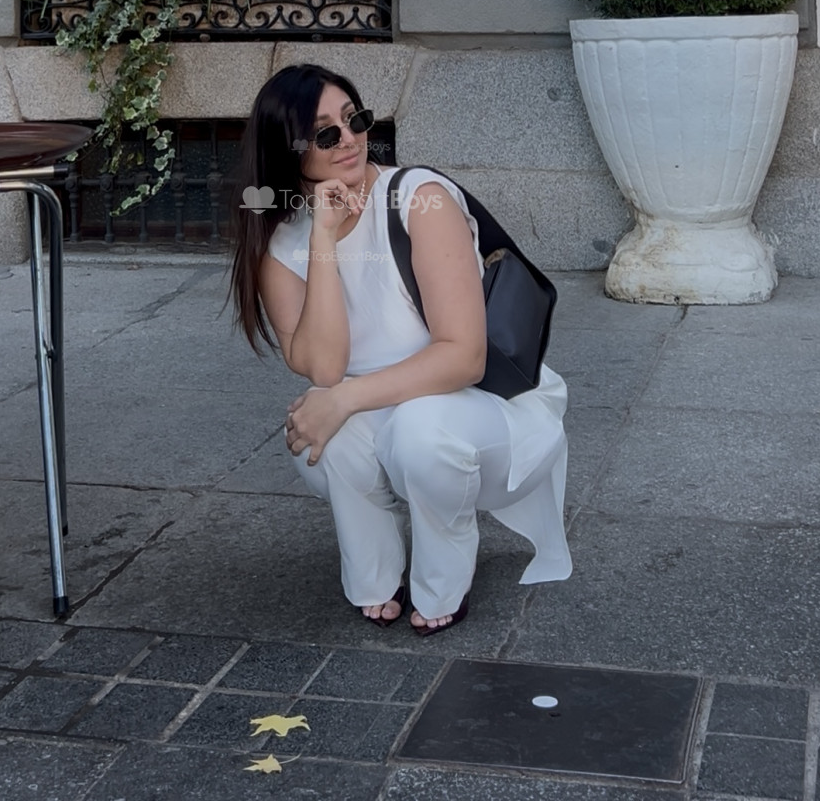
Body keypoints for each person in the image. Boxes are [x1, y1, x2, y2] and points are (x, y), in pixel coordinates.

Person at [230, 63, 572, 635]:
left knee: (415, 429)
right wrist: (323, 238)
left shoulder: (419, 199)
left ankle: (444, 580)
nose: (349, 138)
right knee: (330, 439)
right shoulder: (283, 244)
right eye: (325, 133)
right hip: (383, 411)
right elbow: (326, 368)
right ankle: (376, 577)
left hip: (483, 409)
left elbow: (464, 356)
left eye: (355, 119)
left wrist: (345, 399)